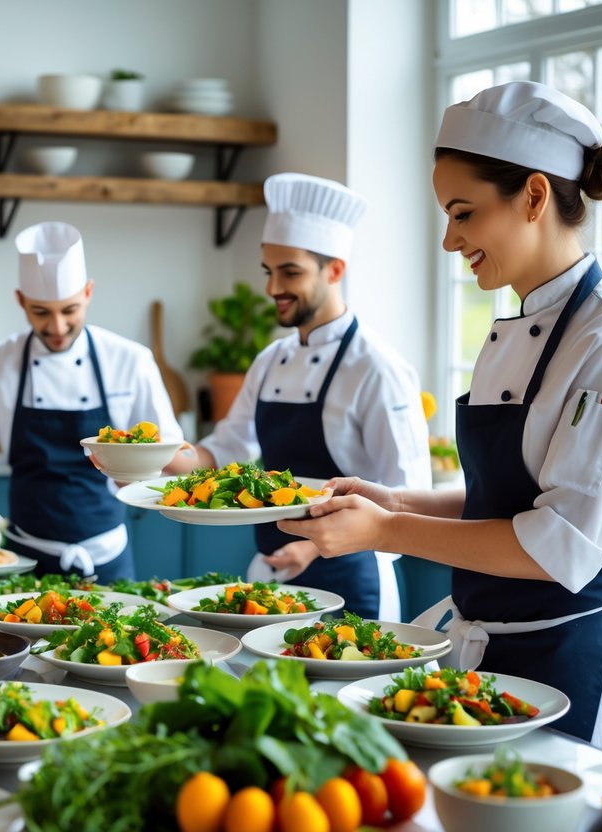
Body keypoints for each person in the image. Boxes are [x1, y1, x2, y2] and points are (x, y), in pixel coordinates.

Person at [280, 82, 602, 752]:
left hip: (570, 660)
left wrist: (387, 530)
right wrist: (397, 500)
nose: (447, 239)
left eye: (461, 214)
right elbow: (507, 499)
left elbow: (557, 545)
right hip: (487, 658)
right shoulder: (516, 325)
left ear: (532, 196)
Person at [164, 173, 432, 619]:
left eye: (291, 272)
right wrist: (157, 458)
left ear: (335, 270)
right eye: (270, 272)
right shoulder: (271, 359)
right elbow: (226, 448)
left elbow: (406, 497)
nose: (273, 289)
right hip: (275, 585)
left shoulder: (377, 369)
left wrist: (310, 547)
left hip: (353, 584)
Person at [0, 221, 181, 582]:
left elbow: (171, 453)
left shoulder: (130, 360)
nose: (57, 327)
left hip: (109, 560)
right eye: (41, 312)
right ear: (21, 300)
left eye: (69, 310)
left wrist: (142, 476)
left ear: (89, 293)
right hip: (22, 564)